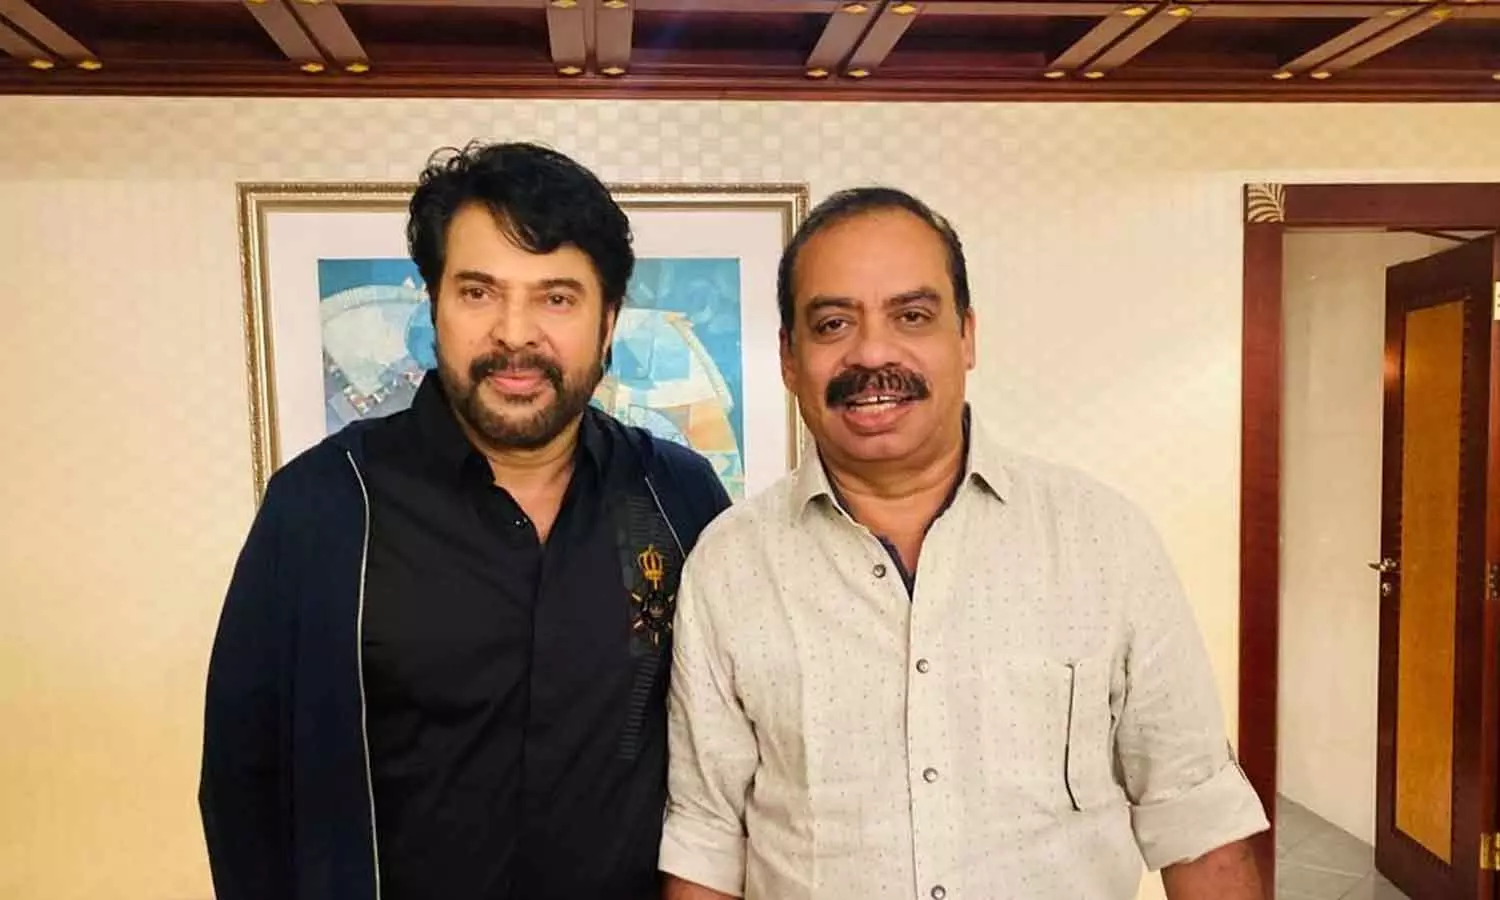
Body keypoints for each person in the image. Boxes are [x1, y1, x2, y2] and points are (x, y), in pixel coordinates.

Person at [658, 187, 1269, 900]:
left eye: (912, 316)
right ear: (789, 359)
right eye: (832, 324)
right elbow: (707, 837)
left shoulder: (1103, 539)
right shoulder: (731, 565)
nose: (873, 352)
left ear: (967, 336)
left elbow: (1195, 811)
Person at [199, 141, 730, 900]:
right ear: (434, 305)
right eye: (479, 292)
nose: (515, 334)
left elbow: (724, 754)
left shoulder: (679, 497)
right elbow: (243, 785)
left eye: (556, 298)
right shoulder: (323, 506)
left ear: (608, 320)